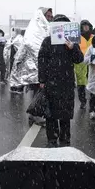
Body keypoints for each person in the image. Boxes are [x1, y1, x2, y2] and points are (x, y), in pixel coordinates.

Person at [38, 14, 84, 147]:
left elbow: (79, 59)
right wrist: (42, 79)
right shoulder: (47, 41)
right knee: (50, 114)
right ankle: (52, 140)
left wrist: (72, 48)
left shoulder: (72, 42)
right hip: (50, 83)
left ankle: (65, 140)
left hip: (67, 83)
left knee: (65, 114)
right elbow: (41, 60)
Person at [75, 20, 94, 109]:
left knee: (93, 82)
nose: (86, 27)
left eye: (87, 25)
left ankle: (94, 101)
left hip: (91, 63)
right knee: (81, 84)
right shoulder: (76, 37)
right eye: (84, 25)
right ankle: (83, 101)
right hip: (80, 64)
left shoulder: (94, 37)